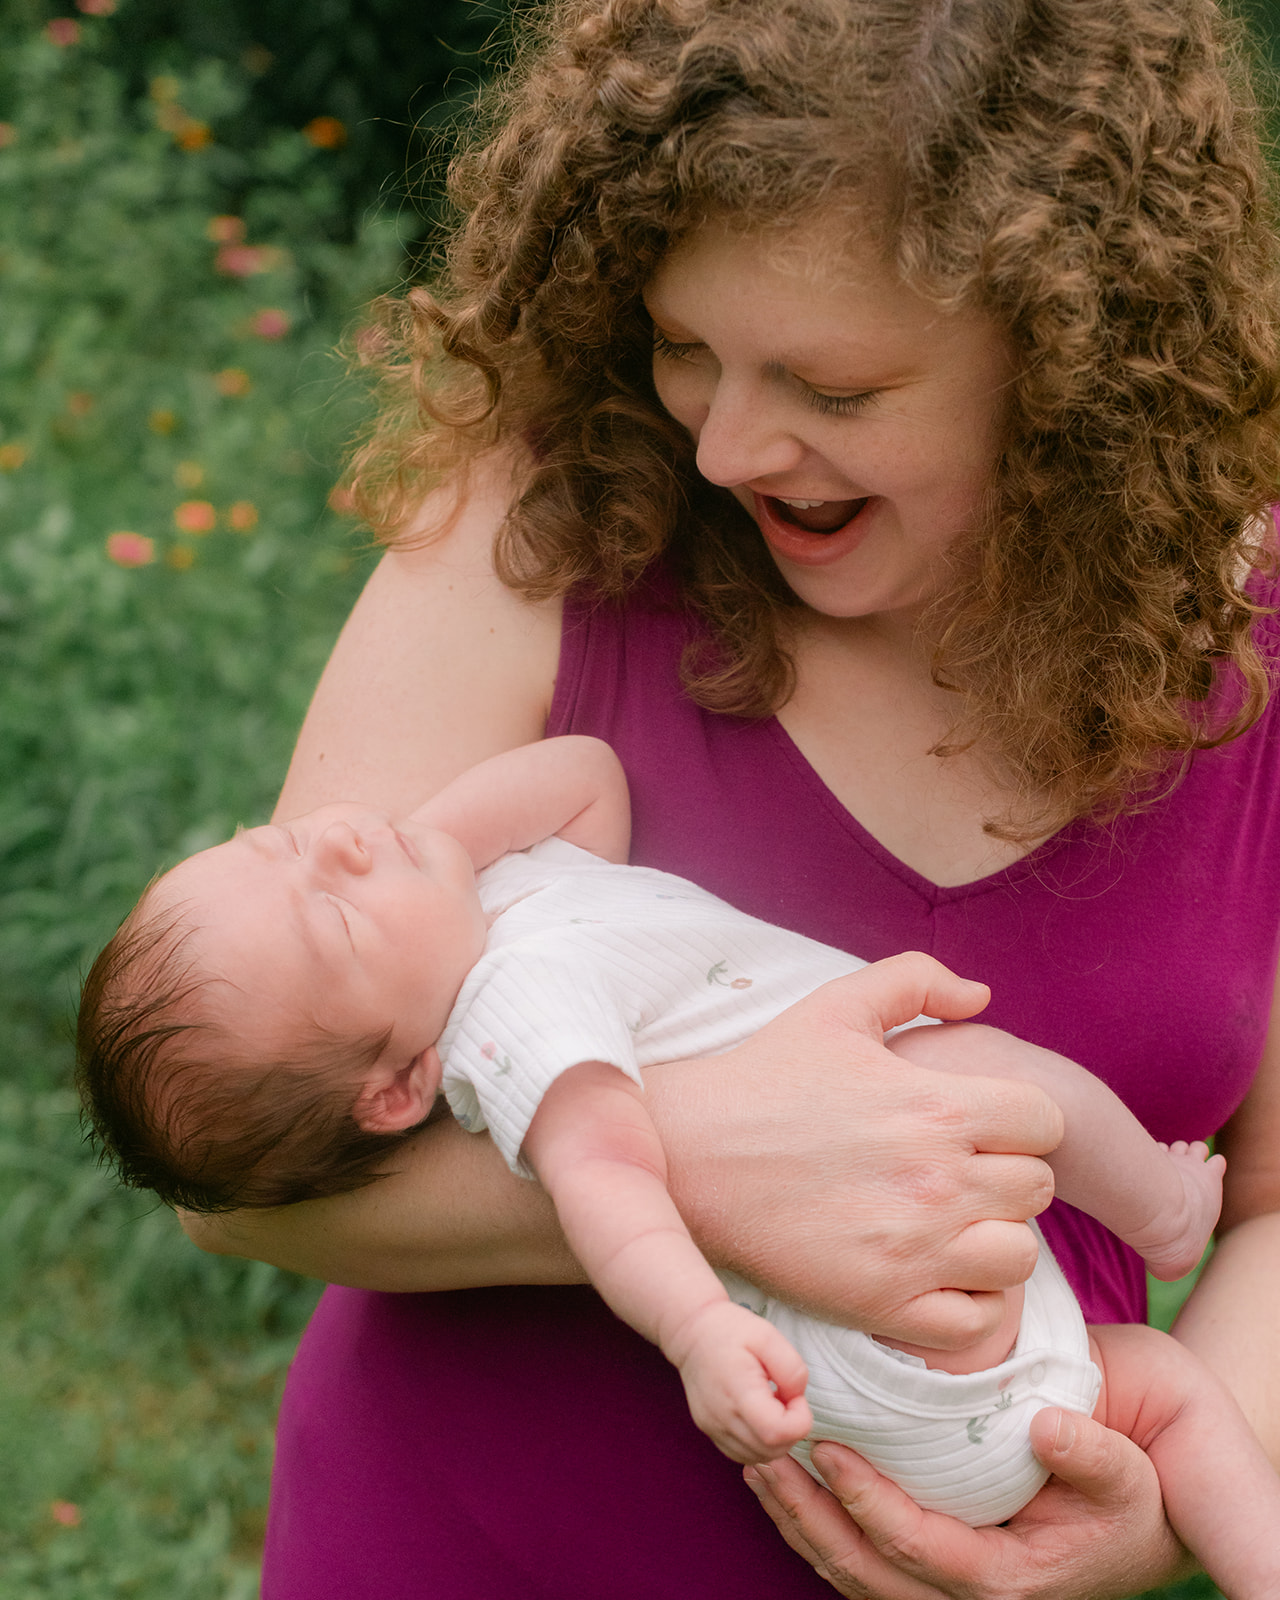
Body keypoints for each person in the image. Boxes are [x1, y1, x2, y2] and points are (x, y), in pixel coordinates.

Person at [175, 1, 1280, 1595]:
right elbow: (239, 1172)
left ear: (1073, 357)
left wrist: (1161, 1509)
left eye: (834, 389)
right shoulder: (547, 529)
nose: (727, 447)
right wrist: (706, 1170)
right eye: (689, 348)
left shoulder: (1257, 645)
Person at [81, 739, 1280, 1593]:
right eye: (332, 917)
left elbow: (589, 777)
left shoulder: (511, 901)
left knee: (1165, 1395)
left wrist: (421, 851)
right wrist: (699, 1330)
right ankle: (1162, 1208)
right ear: (397, 1088)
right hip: (874, 1357)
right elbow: (609, 1189)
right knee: (983, 1075)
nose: (337, 843)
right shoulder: (518, 1020)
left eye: (278, 843)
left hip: (957, 1404)